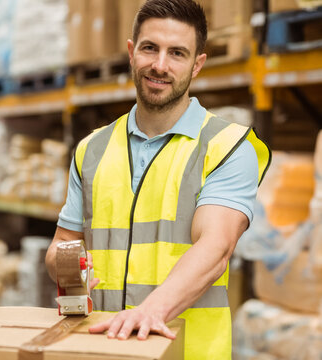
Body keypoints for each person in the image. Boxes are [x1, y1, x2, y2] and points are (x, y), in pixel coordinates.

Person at [45, 0, 271, 359]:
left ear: (197, 65)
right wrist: (70, 267)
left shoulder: (227, 146)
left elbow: (216, 247)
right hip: (103, 348)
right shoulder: (93, 149)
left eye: (177, 53)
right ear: (132, 52)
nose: (160, 65)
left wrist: (150, 311)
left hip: (185, 351)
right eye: (150, 48)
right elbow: (62, 246)